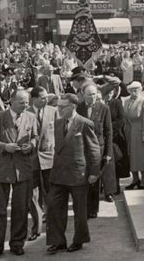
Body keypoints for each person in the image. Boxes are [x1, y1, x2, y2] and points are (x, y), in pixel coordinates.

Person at [0, 90, 38, 258]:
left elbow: (36, 138)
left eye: (27, 102)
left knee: (21, 209)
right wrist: (4, 147)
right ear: (12, 102)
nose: (26, 105)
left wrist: (30, 146)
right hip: (1, 170)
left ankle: (17, 243)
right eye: (22, 102)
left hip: (23, 170)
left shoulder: (31, 117)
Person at [46, 93, 101, 254]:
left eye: (63, 107)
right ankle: (58, 241)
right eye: (58, 106)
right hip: (59, 174)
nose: (60, 109)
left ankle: (79, 239)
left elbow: (94, 150)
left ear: (73, 106)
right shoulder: (57, 123)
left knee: (80, 211)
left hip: (79, 174)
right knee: (54, 207)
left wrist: (94, 172)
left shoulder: (84, 124)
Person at [77, 83, 113, 216]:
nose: (92, 97)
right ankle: (83, 208)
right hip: (82, 148)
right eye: (89, 94)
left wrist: (108, 153)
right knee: (83, 178)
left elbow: (109, 132)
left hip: (98, 148)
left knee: (95, 178)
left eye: (94, 94)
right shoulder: (78, 108)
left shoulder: (104, 108)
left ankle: (93, 209)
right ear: (82, 94)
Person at [28, 86, 58, 241]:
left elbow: (59, 133)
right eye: (42, 98)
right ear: (33, 99)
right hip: (30, 161)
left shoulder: (53, 111)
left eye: (47, 97)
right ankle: (36, 227)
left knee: (50, 193)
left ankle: (52, 226)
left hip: (49, 158)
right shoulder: (25, 112)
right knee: (32, 196)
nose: (46, 100)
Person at [123, 81, 144, 190]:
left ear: (140, 90)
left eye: (136, 89)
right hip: (129, 132)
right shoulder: (126, 101)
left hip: (140, 132)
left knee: (141, 157)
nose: (134, 92)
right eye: (131, 90)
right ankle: (135, 179)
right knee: (131, 157)